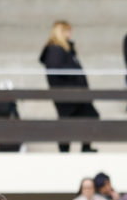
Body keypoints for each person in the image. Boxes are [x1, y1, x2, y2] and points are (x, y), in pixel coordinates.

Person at [40, 21, 98, 153]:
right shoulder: (55, 49)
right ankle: (67, 149)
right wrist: (75, 79)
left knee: (88, 117)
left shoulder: (66, 49)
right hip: (68, 94)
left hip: (75, 93)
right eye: (67, 31)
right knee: (68, 121)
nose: (70, 34)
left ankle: (83, 147)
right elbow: (57, 69)